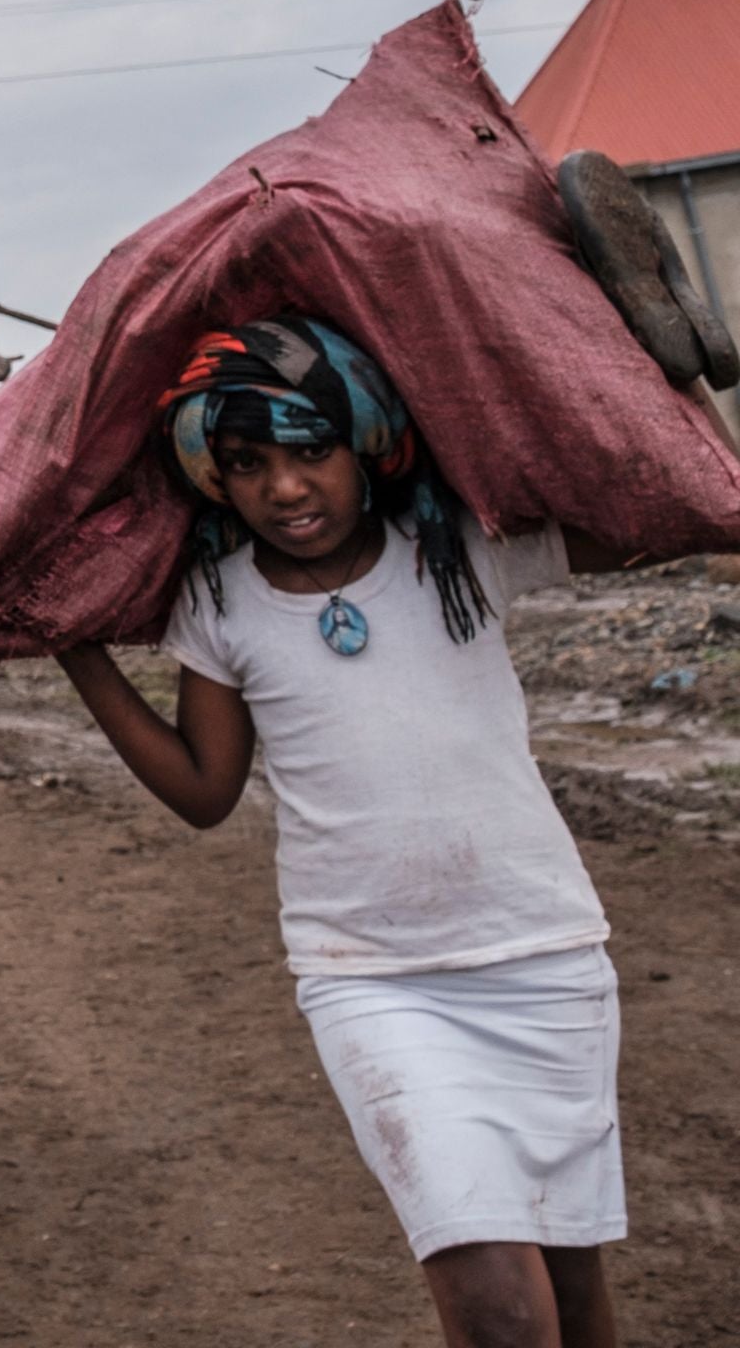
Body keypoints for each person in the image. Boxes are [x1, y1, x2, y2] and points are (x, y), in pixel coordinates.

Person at [60, 317, 695, 1348]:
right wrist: (76, 652)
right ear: (214, 480)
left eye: (311, 450)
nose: (285, 488)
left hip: (545, 960)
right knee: (498, 1313)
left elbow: (677, 508)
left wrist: (665, 368)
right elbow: (202, 789)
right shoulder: (221, 602)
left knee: (574, 1291)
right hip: (372, 981)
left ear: (365, 441)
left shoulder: (458, 550)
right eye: (246, 465)